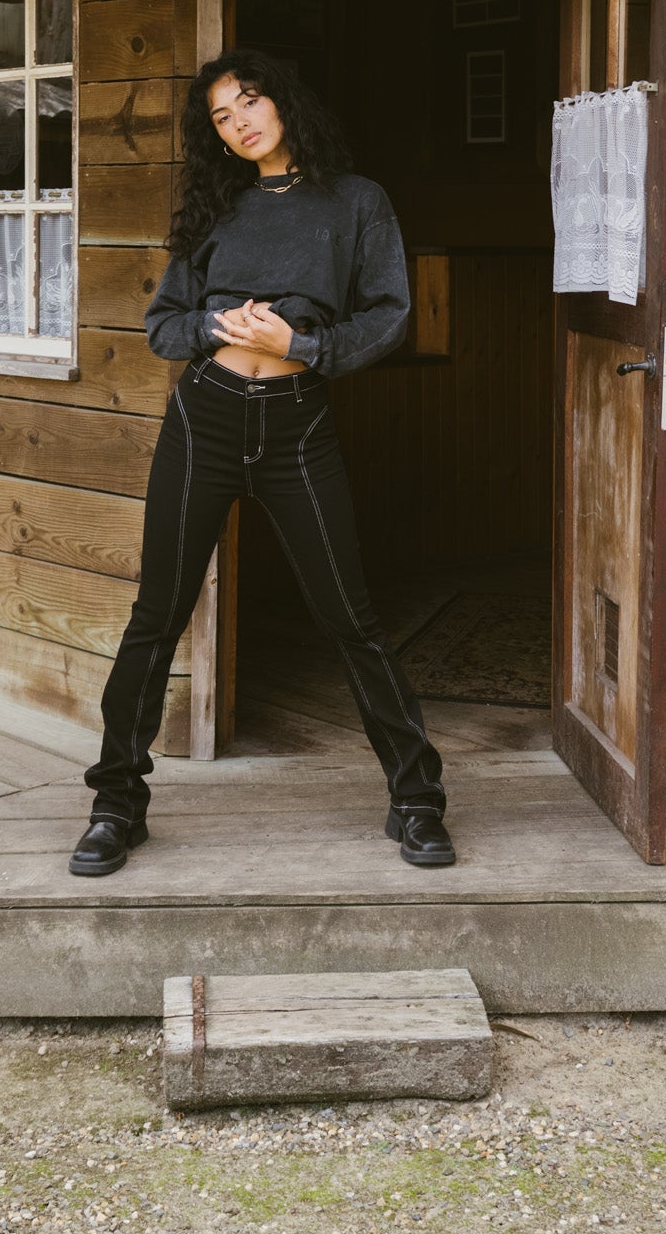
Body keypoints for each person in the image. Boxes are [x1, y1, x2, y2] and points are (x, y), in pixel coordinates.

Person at [69, 47, 454, 877]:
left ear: (283, 102)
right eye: (221, 115)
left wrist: (299, 344)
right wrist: (216, 326)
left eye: (248, 100)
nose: (239, 121)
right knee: (155, 618)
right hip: (203, 421)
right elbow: (163, 324)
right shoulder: (218, 207)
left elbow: (389, 316)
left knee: (350, 618)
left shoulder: (355, 202)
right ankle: (115, 807)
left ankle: (417, 800)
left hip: (295, 426)